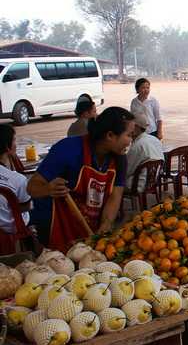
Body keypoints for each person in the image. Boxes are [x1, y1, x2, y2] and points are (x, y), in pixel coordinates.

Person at [27, 107, 133, 250]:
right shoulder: (68, 149)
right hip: (59, 227)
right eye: (129, 135)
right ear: (110, 135)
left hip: (91, 227)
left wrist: (106, 225)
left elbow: (115, 196)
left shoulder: (120, 160)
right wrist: (48, 189)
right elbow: (32, 187)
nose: (130, 141)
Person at [0, 124, 33, 253]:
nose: (16, 144)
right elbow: (25, 207)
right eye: (14, 140)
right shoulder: (17, 179)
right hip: (9, 228)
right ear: (7, 147)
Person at [125, 112, 164, 192]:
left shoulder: (138, 145)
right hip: (153, 181)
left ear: (136, 127)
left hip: (137, 184)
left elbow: (127, 170)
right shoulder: (155, 139)